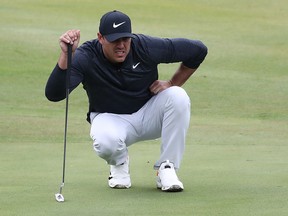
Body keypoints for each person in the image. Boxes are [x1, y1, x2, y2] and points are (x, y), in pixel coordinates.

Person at [45, 10, 208, 192]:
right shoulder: (86, 56)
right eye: (115, 40)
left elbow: (198, 50)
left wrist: (172, 83)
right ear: (101, 38)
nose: (121, 45)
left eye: (126, 39)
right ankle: (119, 162)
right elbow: (54, 94)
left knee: (178, 95)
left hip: (149, 116)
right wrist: (67, 56)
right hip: (110, 119)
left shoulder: (144, 46)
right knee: (105, 141)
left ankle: (167, 167)